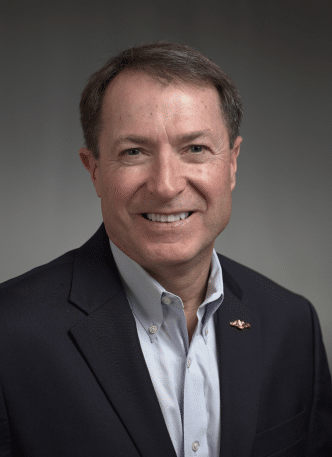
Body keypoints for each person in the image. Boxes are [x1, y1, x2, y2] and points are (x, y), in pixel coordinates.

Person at [0, 41, 331, 457]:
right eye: (134, 152)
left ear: (231, 163)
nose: (167, 184)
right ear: (95, 170)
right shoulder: (9, 332)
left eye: (195, 149)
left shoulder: (292, 324)